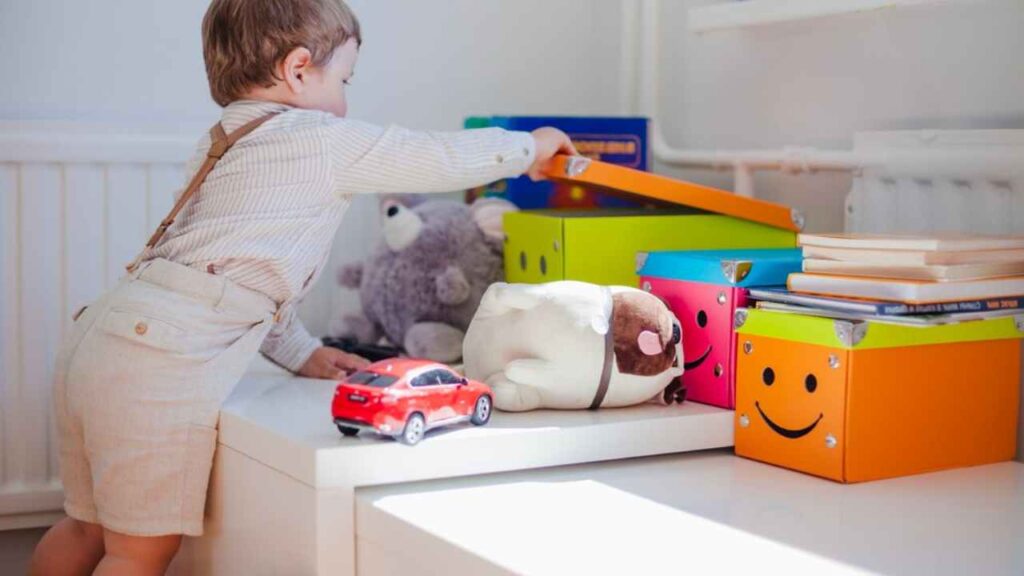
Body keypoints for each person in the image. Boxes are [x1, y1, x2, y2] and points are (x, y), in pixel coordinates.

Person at [30, 0, 576, 573]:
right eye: (343, 80)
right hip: (154, 360)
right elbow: (430, 157)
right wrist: (527, 148)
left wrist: (303, 352)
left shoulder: (225, 138)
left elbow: (237, 277)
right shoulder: (316, 138)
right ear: (297, 70)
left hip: (100, 337)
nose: (344, 101)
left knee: (84, 527)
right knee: (139, 549)